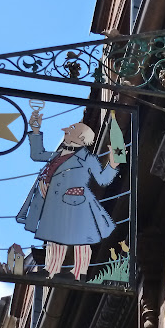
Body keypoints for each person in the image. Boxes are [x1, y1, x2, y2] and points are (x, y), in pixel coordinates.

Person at [16, 111, 119, 280]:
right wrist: (35, 131)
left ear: (79, 137)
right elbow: (37, 154)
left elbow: (103, 179)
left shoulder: (87, 158)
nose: (65, 131)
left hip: (77, 202)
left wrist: (113, 164)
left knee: (80, 239)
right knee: (53, 238)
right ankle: (51, 269)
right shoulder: (59, 154)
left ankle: (80, 272)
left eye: (70, 130)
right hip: (54, 203)